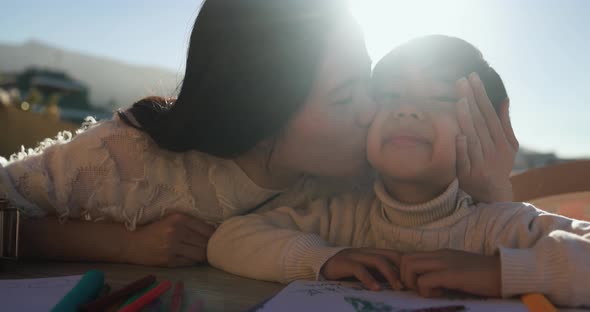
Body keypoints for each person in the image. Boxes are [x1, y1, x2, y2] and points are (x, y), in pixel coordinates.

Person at [0, 1, 516, 267]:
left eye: (369, 84)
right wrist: (116, 245)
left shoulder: (364, 176)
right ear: (261, 117)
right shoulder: (128, 156)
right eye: (344, 98)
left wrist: (493, 189)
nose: (373, 112)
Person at [207, 35, 590, 308]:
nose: (406, 109)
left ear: (483, 126)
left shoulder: (500, 226)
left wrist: (503, 272)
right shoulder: (344, 218)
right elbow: (228, 239)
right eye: (389, 95)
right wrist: (324, 259)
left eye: (440, 97)